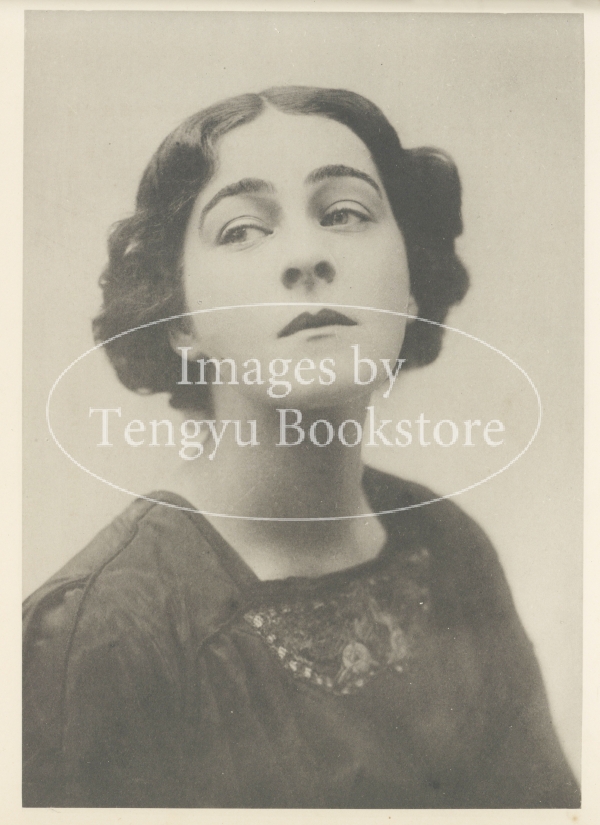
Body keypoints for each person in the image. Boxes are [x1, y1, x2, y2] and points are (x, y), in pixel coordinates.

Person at [22, 86, 580, 808]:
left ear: (410, 285)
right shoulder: (103, 632)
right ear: (178, 318)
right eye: (242, 229)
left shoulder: (447, 547)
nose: (307, 257)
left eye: (345, 214)